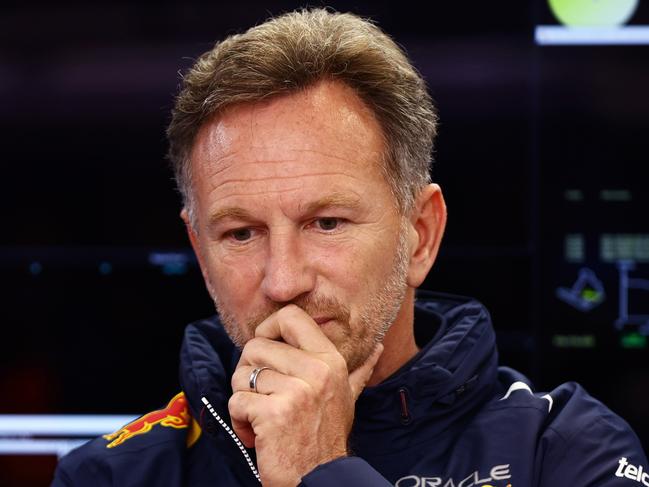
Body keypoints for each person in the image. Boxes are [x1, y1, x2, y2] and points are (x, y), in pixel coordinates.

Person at [52, 8, 647, 487]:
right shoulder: (108, 474)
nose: (283, 282)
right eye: (240, 234)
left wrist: (322, 470)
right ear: (200, 252)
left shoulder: (568, 452)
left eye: (326, 223)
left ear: (420, 234)